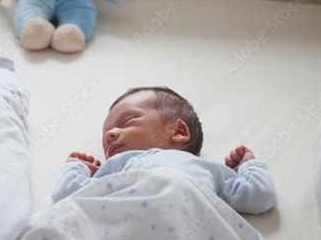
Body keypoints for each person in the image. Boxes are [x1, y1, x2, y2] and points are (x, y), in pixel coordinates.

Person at [52, 86, 277, 215]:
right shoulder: (116, 168)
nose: (109, 135)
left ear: (178, 131)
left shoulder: (208, 169)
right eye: (106, 135)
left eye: (127, 120)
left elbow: (260, 198)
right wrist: (76, 168)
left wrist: (248, 165)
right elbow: (68, 197)